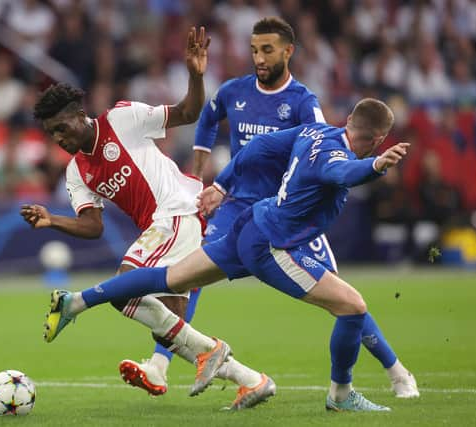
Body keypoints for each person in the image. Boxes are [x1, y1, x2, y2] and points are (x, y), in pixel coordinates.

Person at [44, 98, 409, 412]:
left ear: (347, 121)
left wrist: (222, 183)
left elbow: (256, 149)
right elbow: (342, 171)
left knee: (168, 279)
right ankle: (341, 394)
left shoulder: (316, 132)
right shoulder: (336, 153)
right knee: (353, 306)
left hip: (250, 227)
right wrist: (375, 167)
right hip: (273, 246)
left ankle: (77, 302)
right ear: (378, 140)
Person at [130, 16, 418, 400]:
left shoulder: (303, 103)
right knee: (189, 276)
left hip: (287, 215)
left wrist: (367, 168)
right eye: (254, 50)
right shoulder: (234, 91)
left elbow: (325, 152)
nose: (259, 58)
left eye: (267, 50)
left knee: (343, 299)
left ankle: (397, 371)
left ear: (288, 52)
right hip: (238, 208)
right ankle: (160, 365)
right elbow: (208, 118)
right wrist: (206, 178)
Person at [21, 27, 276, 410]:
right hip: (165, 225)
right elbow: (93, 226)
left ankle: (208, 354)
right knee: (170, 320)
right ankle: (249, 379)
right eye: (50, 133)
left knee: (125, 287)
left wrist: (195, 73)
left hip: (179, 210)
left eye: (61, 128)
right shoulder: (77, 172)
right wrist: (52, 220)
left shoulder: (122, 118)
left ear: (79, 116)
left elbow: (188, 112)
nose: (57, 138)